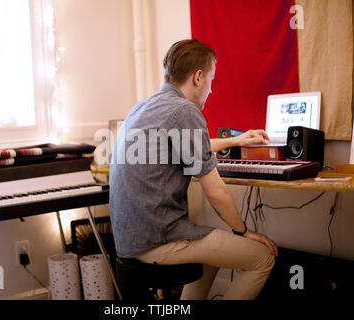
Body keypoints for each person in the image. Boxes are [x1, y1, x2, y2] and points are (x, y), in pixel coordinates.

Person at [109, 39, 278, 300]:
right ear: (198, 77)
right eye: (211, 79)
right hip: (159, 240)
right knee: (262, 257)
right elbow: (216, 192)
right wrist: (244, 231)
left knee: (211, 254)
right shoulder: (183, 110)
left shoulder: (141, 109)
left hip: (129, 241)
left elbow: (183, 145)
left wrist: (235, 140)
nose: (211, 90)